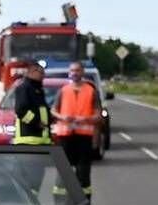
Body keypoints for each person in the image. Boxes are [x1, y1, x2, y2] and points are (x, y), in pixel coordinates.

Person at [53, 61, 103, 195]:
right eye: (72, 71)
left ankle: (84, 201)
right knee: (64, 171)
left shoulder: (91, 91)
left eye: (77, 70)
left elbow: (99, 115)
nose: (74, 73)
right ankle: (60, 202)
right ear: (69, 73)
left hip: (84, 136)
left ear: (83, 72)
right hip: (65, 136)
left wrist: (86, 119)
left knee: (83, 171)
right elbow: (53, 111)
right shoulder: (63, 90)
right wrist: (62, 117)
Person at [11, 61, 53, 145]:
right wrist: (36, 122)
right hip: (27, 139)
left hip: (41, 139)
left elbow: (41, 110)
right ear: (32, 72)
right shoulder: (24, 88)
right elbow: (21, 110)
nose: (43, 76)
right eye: (41, 73)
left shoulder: (38, 90)